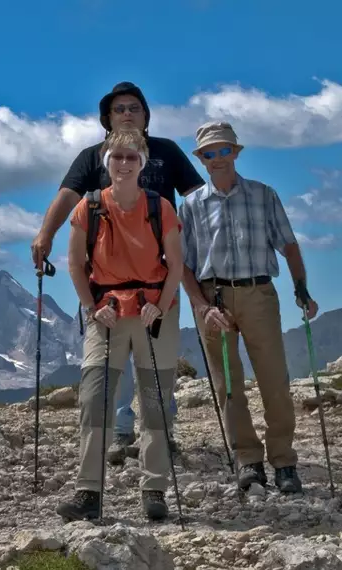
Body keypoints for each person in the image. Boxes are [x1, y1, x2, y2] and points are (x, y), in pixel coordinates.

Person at [31, 81, 204, 459]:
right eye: (119, 108)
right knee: (117, 360)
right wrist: (46, 234)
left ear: (145, 115)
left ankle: (160, 433)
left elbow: (198, 198)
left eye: (134, 108)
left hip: (158, 279)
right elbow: (68, 196)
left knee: (157, 360)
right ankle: (123, 431)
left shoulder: (167, 152)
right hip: (106, 282)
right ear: (107, 118)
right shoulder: (92, 156)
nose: (127, 113)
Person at [178, 120, 319, 494]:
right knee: (228, 386)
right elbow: (183, 265)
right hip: (213, 301)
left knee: (274, 381)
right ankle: (248, 462)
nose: (218, 158)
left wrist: (301, 288)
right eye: (210, 153)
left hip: (259, 294)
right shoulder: (190, 207)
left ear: (236, 153)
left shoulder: (263, 194)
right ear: (202, 159)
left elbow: (288, 245)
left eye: (225, 150)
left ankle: (285, 462)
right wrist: (201, 306)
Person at [56, 127, 184, 522]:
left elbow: (176, 265)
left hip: (152, 313)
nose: (124, 164)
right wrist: (93, 307)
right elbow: (76, 265)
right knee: (95, 399)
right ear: (106, 162)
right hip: (107, 313)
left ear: (142, 162)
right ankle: (89, 492)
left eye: (132, 157)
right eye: (117, 157)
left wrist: (160, 306)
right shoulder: (89, 208)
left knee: (154, 402)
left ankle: (155, 489)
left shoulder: (159, 207)